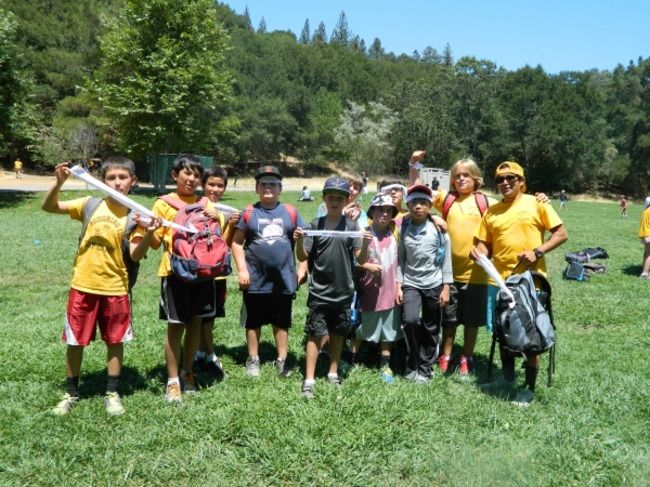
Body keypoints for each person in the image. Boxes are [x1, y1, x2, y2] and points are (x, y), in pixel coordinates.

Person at [42, 158, 161, 416]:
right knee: (75, 341)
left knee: (115, 341)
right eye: (111, 178)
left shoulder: (135, 214)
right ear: (102, 181)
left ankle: (112, 391)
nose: (117, 182)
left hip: (116, 288)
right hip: (83, 285)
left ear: (133, 181)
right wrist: (58, 183)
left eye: (123, 177)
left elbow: (137, 255)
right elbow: (49, 206)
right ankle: (71, 391)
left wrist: (149, 231)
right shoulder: (90, 204)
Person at [471, 161, 568, 407]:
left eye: (510, 178)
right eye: (500, 180)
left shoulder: (536, 204)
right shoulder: (491, 212)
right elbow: (484, 245)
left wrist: (537, 251)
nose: (504, 183)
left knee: (530, 336)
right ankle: (508, 380)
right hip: (500, 282)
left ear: (522, 182)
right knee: (503, 333)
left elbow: (560, 234)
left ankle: (529, 388)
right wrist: (478, 252)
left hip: (530, 283)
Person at [146, 154, 215, 403]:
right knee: (175, 326)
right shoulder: (162, 204)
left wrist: (224, 220)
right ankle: (173, 380)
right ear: (175, 175)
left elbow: (217, 239)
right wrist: (151, 229)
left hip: (202, 274)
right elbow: (154, 244)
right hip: (175, 273)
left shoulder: (206, 203)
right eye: (187, 173)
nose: (191, 179)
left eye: (196, 175)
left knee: (196, 323)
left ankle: (188, 373)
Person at [295, 176, 369, 399]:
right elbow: (302, 255)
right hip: (319, 291)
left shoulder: (353, 227)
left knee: (338, 334)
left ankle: (332, 372)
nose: (335, 201)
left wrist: (365, 242)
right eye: (330, 197)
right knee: (315, 334)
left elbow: (360, 259)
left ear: (347, 199)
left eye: (339, 198)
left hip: (344, 292)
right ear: (324, 199)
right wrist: (299, 240)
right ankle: (308, 379)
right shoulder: (315, 226)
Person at [231, 165, 305, 379]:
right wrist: (242, 270)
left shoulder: (290, 212)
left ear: (280, 188)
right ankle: (253, 358)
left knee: (281, 322)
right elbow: (236, 243)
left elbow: (303, 245)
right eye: (263, 184)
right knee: (253, 322)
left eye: (273, 184)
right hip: (255, 280)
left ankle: (282, 359)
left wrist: (302, 267)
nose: (268, 187)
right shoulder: (249, 213)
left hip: (283, 279)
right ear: (257, 188)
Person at [397, 184, 453, 383]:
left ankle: (425, 367)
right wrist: (398, 284)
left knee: (431, 326)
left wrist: (446, 287)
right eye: (414, 203)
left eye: (423, 202)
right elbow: (400, 259)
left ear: (430, 206)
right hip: (411, 282)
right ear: (408, 205)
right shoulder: (403, 226)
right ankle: (412, 361)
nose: (418, 206)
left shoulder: (440, 229)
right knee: (410, 320)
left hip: (434, 283)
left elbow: (446, 260)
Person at [193, 166, 240, 379]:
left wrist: (229, 223)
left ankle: (201, 351)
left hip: (219, 272)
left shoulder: (224, 209)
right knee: (200, 315)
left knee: (210, 316)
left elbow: (225, 244)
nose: (215, 189)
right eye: (211, 184)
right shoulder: (196, 207)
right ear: (203, 185)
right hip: (202, 272)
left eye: (220, 185)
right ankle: (207, 353)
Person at [353, 193, 402, 383]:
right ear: (372, 211)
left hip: (391, 290)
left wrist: (399, 287)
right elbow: (356, 260)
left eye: (389, 210)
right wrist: (367, 266)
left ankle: (385, 364)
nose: (384, 213)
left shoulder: (395, 232)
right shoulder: (363, 232)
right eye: (380, 209)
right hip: (370, 291)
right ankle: (352, 358)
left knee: (389, 330)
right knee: (364, 327)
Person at [638, 204, 650, 280]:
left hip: (645, 234)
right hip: (648, 234)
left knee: (647, 253)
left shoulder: (646, 210)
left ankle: (645, 270)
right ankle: (645, 274)